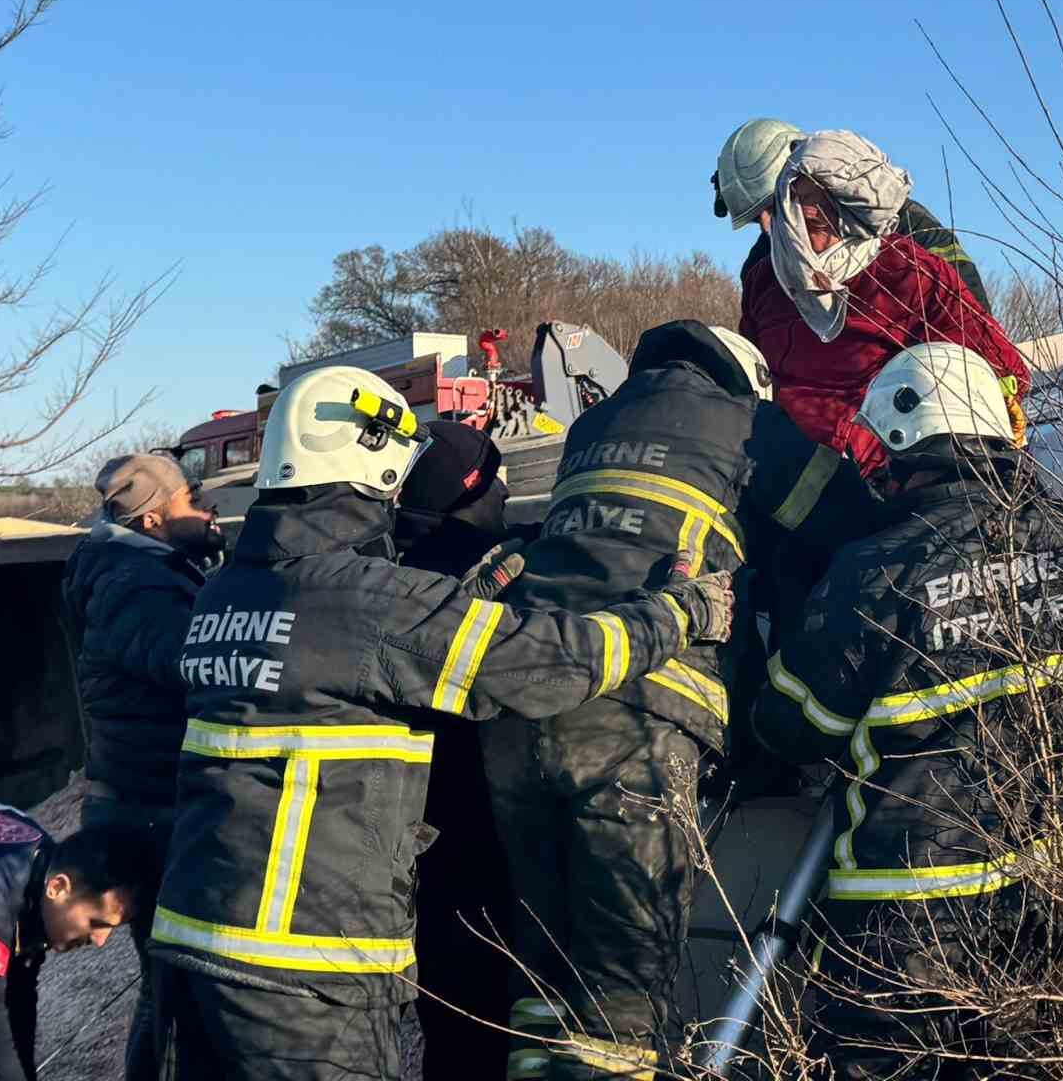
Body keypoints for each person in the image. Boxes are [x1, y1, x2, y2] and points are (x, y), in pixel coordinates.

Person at [148, 365, 733, 1081]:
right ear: (384, 456)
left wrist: (461, 601)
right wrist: (681, 613)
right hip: (303, 965)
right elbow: (554, 665)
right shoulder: (373, 600)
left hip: (187, 948)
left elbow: (343, 670)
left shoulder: (223, 595)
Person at [487, 320, 879, 1080]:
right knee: (620, 1003)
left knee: (542, 980)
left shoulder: (591, 427)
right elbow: (846, 521)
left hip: (518, 712)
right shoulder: (741, 422)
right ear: (743, 376)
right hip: (636, 719)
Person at [752, 343, 1063, 1080]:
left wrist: (791, 606)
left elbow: (793, 722)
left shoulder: (878, 570)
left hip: (905, 919)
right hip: (1055, 895)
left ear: (901, 443)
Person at [59, 453, 223, 1081]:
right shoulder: (135, 586)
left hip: (144, 801)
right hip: (152, 809)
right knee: (177, 982)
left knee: (170, 984)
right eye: (192, 499)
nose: (206, 506)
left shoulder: (137, 570)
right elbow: (194, 664)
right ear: (154, 517)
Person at [740, 129, 1031, 478]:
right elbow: (749, 381)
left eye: (815, 222)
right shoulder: (764, 282)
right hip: (780, 475)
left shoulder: (912, 274)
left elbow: (1001, 370)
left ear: (852, 215)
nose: (783, 230)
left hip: (885, 480)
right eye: (785, 211)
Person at [392, 421, 519, 1078]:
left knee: (446, 1004)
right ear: (466, 493)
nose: (504, 488)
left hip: (415, 833)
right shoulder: (474, 569)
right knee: (485, 1002)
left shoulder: (383, 567)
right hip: (472, 818)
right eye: (494, 479)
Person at [0, 796, 159, 1081]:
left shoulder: (45, 863)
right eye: (96, 923)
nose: (100, 940)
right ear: (58, 888)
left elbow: (18, 994)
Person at [713, 117, 996, 313]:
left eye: (773, 206)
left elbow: (969, 307)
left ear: (801, 181)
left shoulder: (904, 223)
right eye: (754, 218)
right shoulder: (761, 267)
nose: (765, 227)